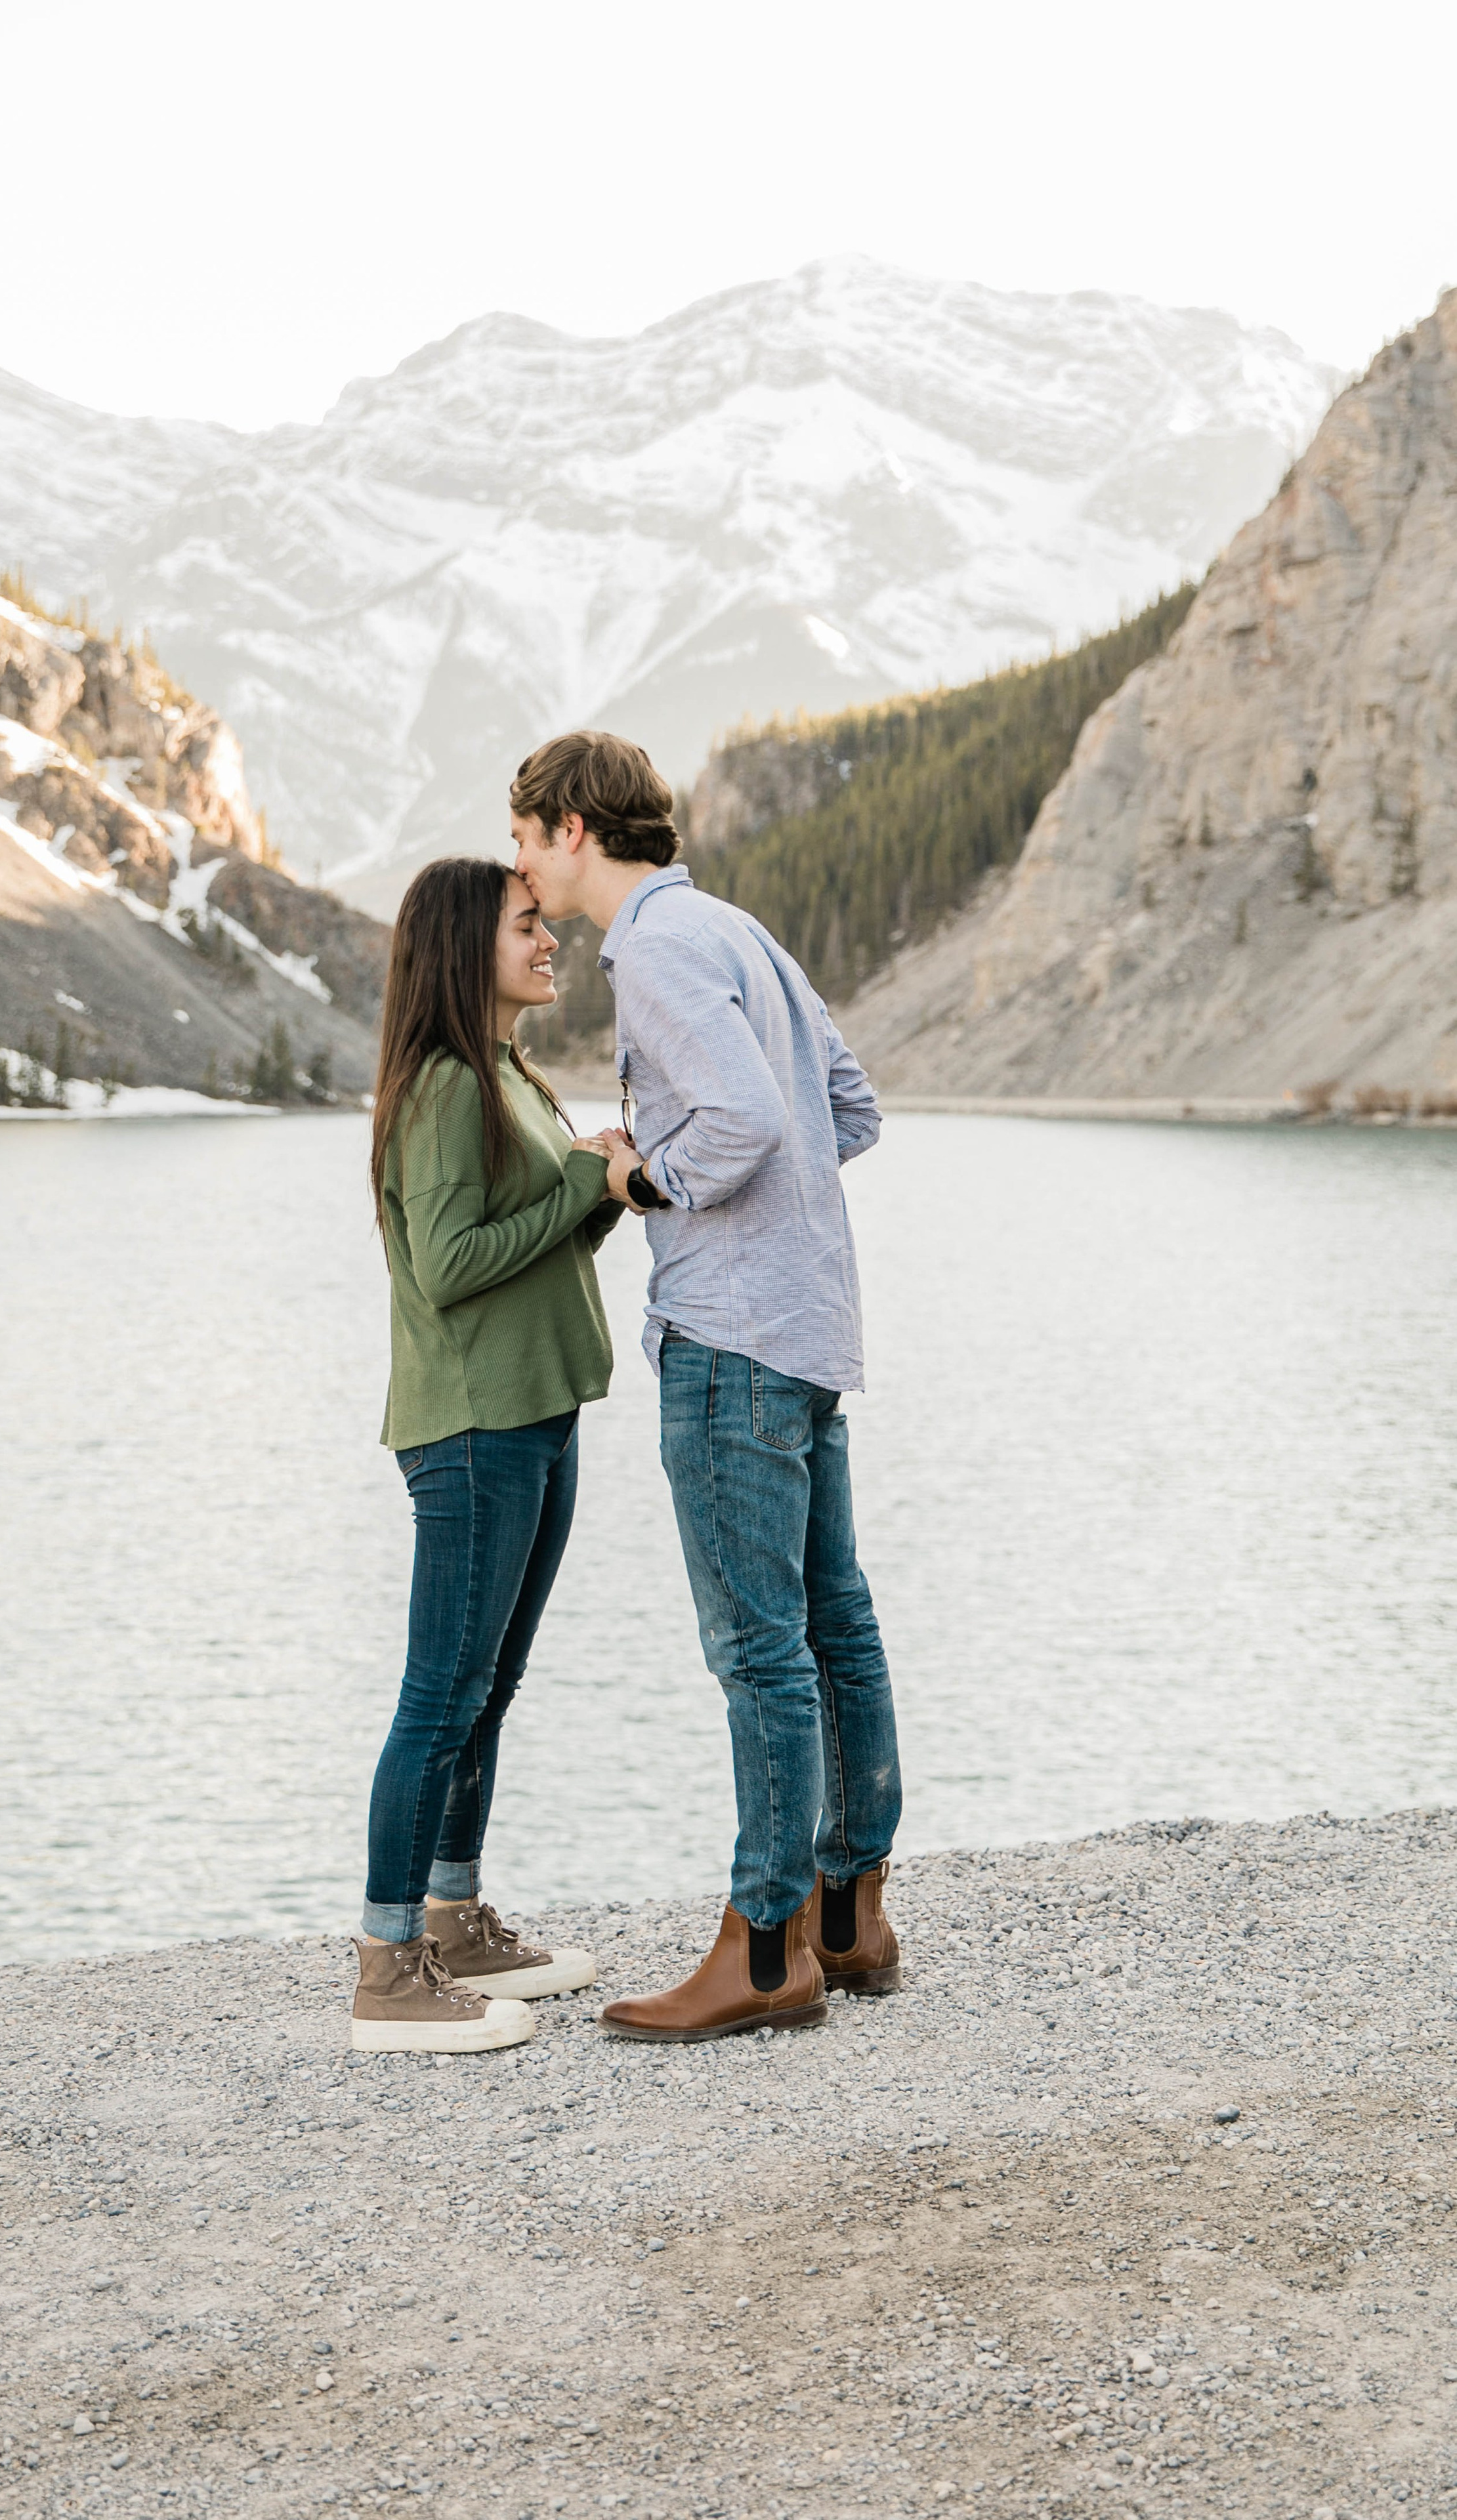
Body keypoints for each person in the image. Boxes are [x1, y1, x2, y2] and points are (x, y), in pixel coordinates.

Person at [512, 731, 902, 2044]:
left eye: (524, 834)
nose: (520, 862)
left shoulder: (656, 949)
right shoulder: (739, 931)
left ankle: (763, 1946)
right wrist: (744, 1191)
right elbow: (842, 1110)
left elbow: (743, 1122)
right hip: (804, 1324)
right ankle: (848, 1915)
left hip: (730, 1335)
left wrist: (640, 1175)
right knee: (830, 1623)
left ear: (573, 828)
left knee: (759, 1651)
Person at [354, 856, 623, 2054]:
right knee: (440, 1696)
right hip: (472, 1428)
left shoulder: (506, 1072)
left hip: (533, 1410)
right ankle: (386, 1966)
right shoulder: (446, 1088)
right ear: (470, 947)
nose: (550, 937)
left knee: (487, 1688)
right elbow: (454, 1268)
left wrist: (605, 1187)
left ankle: (455, 1922)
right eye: (528, 926)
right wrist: (578, 1178)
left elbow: (540, 1242)